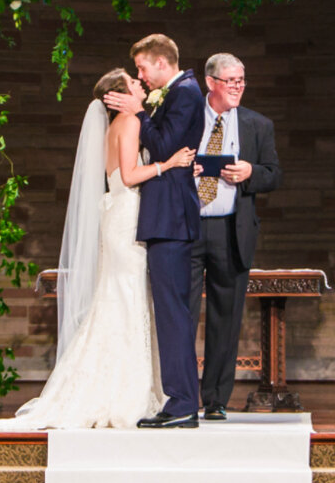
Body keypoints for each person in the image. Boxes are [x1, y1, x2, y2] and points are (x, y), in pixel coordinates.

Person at [17, 67, 195, 430]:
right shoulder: (129, 122)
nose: (139, 83)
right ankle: (125, 389)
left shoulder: (116, 126)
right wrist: (168, 164)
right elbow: (128, 176)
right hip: (128, 214)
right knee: (127, 299)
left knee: (117, 298)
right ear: (117, 95)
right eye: (132, 81)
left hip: (118, 213)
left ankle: (122, 382)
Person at [105, 35, 207, 428]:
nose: (141, 78)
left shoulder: (185, 93)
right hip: (165, 215)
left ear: (162, 62)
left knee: (173, 314)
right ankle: (178, 400)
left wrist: (140, 113)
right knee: (169, 312)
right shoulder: (176, 92)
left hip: (171, 217)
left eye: (143, 68)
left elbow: (164, 146)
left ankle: (182, 404)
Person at [190, 53, 280, 418]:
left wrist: (250, 172)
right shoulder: (187, 119)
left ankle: (215, 401)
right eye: (231, 81)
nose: (239, 87)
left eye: (242, 80)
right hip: (188, 228)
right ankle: (179, 396)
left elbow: (274, 174)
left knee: (225, 318)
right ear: (211, 83)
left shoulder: (257, 125)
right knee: (182, 314)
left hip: (231, 229)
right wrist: (185, 170)